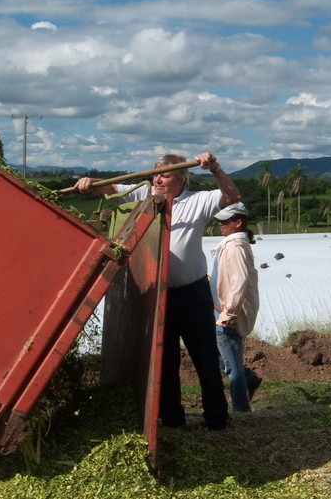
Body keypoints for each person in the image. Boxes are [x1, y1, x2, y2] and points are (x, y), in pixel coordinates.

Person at [73, 152, 240, 431]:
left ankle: (217, 418)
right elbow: (112, 187)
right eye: (155, 173)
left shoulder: (197, 200)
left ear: (182, 179)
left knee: (205, 358)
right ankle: (172, 419)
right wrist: (90, 182)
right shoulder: (145, 194)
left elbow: (233, 196)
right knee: (166, 361)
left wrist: (215, 168)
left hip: (193, 294)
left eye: (165, 175)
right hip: (160, 295)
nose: (157, 179)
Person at [211, 202, 261, 412]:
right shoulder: (230, 244)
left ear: (238, 222)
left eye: (226, 220)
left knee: (232, 368)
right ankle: (249, 378)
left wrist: (230, 313)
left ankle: (241, 410)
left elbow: (239, 281)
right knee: (217, 357)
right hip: (219, 311)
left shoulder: (235, 247)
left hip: (228, 315)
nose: (221, 224)